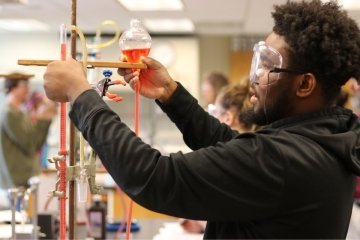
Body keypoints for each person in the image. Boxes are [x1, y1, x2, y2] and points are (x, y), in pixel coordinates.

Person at [43, 0, 360, 238]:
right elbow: (234, 148)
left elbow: (155, 178)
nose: (255, 78)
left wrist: (81, 94)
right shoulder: (325, 140)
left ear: (305, 84)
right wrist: (170, 93)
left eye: (268, 67)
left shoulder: (284, 159)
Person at [0, 73, 57, 189]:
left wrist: (43, 119)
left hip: (24, 178)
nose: (28, 89)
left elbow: (33, 142)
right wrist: (43, 120)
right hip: (17, 181)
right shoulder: (10, 113)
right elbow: (30, 144)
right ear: (13, 88)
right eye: (24, 86)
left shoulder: (20, 112)